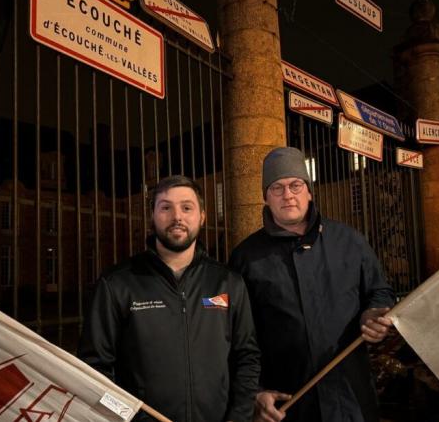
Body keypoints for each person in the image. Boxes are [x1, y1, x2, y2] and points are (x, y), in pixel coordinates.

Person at [229, 147, 395, 422]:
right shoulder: (246, 257)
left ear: (309, 191)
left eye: (296, 185)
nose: (288, 195)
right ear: (266, 198)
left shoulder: (349, 241)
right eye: (277, 188)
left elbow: (379, 291)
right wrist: (254, 392)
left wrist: (374, 312)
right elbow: (237, 334)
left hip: (351, 395)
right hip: (288, 400)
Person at [79, 175, 260, 422]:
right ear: (152, 216)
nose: (177, 216)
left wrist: (238, 418)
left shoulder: (228, 282)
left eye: (187, 207)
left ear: (202, 216)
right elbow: (94, 370)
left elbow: (247, 358)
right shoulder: (117, 284)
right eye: (165, 207)